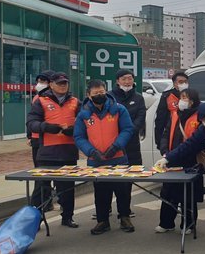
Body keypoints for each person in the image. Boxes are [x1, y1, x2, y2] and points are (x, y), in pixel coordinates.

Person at [74, 79, 135, 235]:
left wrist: (116, 146)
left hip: (118, 158)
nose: (99, 95)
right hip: (96, 161)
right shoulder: (84, 114)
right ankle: (102, 221)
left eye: (102, 92)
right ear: (88, 95)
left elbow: (128, 129)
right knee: (101, 192)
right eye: (95, 93)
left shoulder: (119, 109)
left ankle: (125, 217)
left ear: (106, 92)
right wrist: (91, 152)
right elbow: (79, 136)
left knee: (122, 191)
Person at [26, 72, 81, 228]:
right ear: (51, 84)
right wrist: (46, 127)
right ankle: (35, 221)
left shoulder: (75, 102)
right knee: (41, 189)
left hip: (68, 151)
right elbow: (31, 123)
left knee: (67, 188)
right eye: (59, 83)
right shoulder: (41, 101)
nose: (63, 86)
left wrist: (74, 129)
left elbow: (86, 120)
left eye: (65, 83)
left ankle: (68, 217)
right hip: (47, 153)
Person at [155, 88, 202, 233]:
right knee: (168, 192)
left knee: (188, 195)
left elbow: (194, 143)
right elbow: (165, 134)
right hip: (171, 160)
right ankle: (166, 223)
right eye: (181, 97)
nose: (182, 101)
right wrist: (164, 152)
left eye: (185, 98)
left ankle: (188, 224)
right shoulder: (175, 115)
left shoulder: (199, 117)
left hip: (190, 161)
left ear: (193, 101)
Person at [105, 69, 146, 219]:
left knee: (128, 177)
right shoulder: (109, 96)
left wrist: (127, 133)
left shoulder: (139, 98)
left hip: (131, 144)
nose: (127, 81)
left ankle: (125, 209)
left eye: (130, 78)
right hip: (111, 143)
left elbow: (141, 118)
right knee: (108, 176)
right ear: (117, 81)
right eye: (124, 79)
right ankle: (106, 207)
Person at [28, 70, 55, 211]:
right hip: (38, 140)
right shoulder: (37, 99)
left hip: (53, 142)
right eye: (39, 81)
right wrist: (29, 136)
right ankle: (37, 208)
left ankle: (48, 203)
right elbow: (31, 119)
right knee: (41, 176)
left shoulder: (56, 99)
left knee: (49, 176)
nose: (40, 84)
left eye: (43, 81)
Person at [154, 71, 189, 150]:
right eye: (180, 82)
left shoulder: (192, 95)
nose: (184, 84)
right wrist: (159, 141)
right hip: (171, 134)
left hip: (188, 133)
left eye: (185, 82)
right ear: (174, 84)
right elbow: (160, 120)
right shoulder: (167, 96)